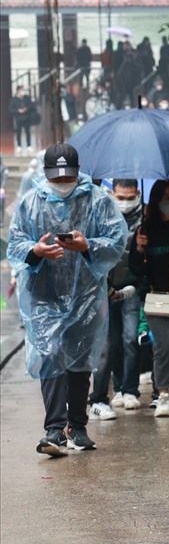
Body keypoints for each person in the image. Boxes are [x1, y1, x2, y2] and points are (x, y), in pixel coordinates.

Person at [7, 143, 127, 456]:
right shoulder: (30, 202)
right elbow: (15, 243)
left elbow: (116, 241)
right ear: (46, 174)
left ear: (77, 173)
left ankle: (78, 425)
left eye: (67, 177)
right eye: (56, 178)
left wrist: (88, 247)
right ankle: (54, 429)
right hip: (43, 294)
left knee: (80, 359)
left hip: (85, 296)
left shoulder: (97, 200)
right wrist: (35, 251)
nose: (62, 184)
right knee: (49, 355)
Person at [129, 180, 169, 417]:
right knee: (164, 344)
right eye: (166, 197)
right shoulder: (145, 230)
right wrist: (138, 248)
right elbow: (135, 270)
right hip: (156, 298)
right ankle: (164, 393)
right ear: (156, 201)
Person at [88, 179, 146, 418]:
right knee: (109, 343)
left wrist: (143, 248)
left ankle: (129, 389)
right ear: (112, 194)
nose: (125, 202)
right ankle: (112, 389)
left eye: (130, 197)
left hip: (132, 286)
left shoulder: (146, 219)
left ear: (138, 194)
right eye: (120, 197)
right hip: (107, 287)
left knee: (130, 337)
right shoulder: (104, 215)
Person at [10, 86, 33, 155]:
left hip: (26, 117)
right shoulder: (13, 99)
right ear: (17, 91)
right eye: (21, 90)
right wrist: (18, 111)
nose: (22, 91)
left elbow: (31, 105)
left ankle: (29, 145)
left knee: (28, 132)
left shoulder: (27, 98)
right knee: (18, 132)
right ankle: (19, 146)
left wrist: (26, 109)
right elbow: (10, 108)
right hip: (18, 118)